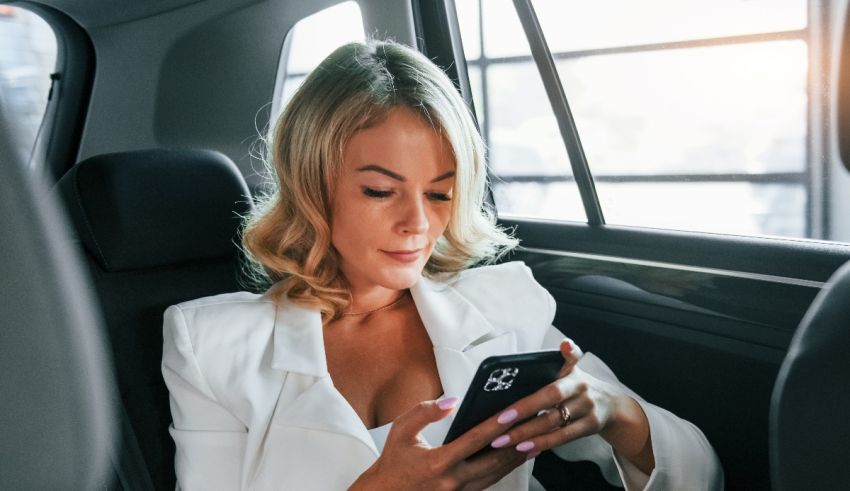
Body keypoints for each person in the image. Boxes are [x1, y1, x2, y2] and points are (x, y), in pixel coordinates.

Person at [162, 39, 723, 490]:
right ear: (312, 186)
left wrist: (616, 412)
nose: (418, 225)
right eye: (381, 191)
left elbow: (701, 477)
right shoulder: (209, 344)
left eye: (439, 194)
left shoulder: (503, 306)